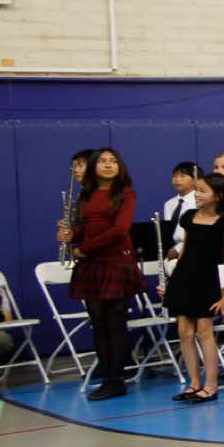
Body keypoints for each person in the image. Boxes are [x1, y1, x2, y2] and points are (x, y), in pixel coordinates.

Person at [56, 148, 145, 401]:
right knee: (99, 325)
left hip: (115, 262)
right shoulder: (86, 194)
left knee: (115, 323)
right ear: (94, 166)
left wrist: (84, 248)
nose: (108, 165)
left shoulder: (125, 193)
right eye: (103, 161)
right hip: (91, 265)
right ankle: (106, 377)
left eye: (113, 161)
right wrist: (70, 235)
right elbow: (85, 228)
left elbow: (119, 230)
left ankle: (117, 380)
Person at [160, 170, 224, 404]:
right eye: (197, 190)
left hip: (206, 280)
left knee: (205, 331)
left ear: (218, 195)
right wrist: (172, 282)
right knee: (184, 332)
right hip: (183, 278)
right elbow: (185, 250)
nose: (197, 194)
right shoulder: (189, 217)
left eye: (203, 191)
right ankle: (194, 383)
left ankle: (211, 385)